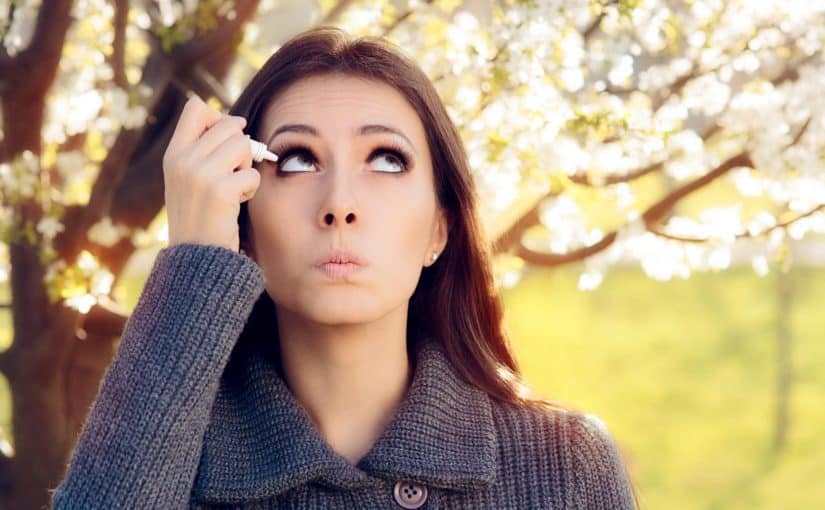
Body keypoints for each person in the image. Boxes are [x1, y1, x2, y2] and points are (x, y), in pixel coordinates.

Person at [50, 26, 639, 509]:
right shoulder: (166, 465)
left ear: (441, 228)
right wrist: (193, 267)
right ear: (243, 224)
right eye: (299, 160)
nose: (339, 204)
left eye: (385, 160)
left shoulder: (564, 466)